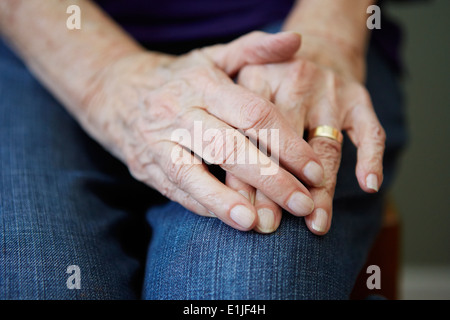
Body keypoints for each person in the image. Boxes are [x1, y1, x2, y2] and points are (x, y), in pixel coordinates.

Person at [0, 0, 406, 299]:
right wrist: (106, 77)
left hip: (290, 34)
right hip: (49, 37)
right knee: (46, 284)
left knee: (247, 292)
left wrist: (327, 36)